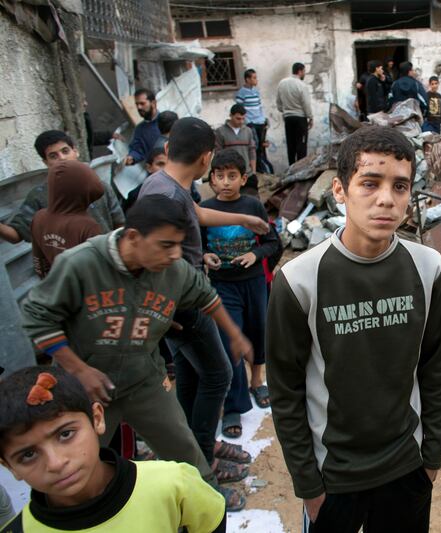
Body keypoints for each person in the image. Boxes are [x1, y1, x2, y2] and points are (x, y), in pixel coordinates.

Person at [267, 126, 441, 533]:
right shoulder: (299, 281)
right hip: (334, 478)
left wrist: (432, 459)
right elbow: (285, 391)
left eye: (400, 186)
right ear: (339, 190)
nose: (386, 199)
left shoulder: (429, 268)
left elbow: (437, 368)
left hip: (408, 468)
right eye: (370, 183)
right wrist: (307, 485)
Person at [20, 195, 255, 510]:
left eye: (178, 245)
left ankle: (206, 499)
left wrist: (234, 334)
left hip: (143, 379)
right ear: (133, 237)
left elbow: (205, 295)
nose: (174, 254)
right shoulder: (80, 264)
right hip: (87, 391)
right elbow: (37, 317)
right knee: (77, 465)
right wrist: (78, 370)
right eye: (165, 245)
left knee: (183, 448)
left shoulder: (174, 270)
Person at [136, 117, 269, 511]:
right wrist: (165, 309)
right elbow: (150, 256)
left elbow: (197, 213)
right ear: (206, 157)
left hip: (182, 300)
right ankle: (201, 467)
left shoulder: (170, 186)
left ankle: (195, 442)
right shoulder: (165, 196)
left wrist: (244, 218)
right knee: (219, 374)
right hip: (185, 303)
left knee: (193, 376)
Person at [0, 365, 227, 531]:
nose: (56, 463)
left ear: (97, 419)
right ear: (9, 466)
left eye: (65, 434)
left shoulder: (172, 483)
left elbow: (211, 519)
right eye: (28, 454)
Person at [201, 149, 283, 438]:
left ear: (243, 178)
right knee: (230, 339)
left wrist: (254, 253)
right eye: (219, 176)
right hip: (223, 285)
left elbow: (273, 242)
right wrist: (205, 256)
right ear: (211, 179)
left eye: (231, 176)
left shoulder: (252, 206)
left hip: (254, 282)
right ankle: (234, 404)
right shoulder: (204, 209)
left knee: (258, 331)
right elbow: (198, 247)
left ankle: (257, 382)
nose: (225, 182)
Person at [0, 130, 124, 244]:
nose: (62, 158)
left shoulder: (101, 187)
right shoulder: (40, 196)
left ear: (75, 151)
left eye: (65, 151)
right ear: (46, 162)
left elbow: (119, 224)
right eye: (53, 156)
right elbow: (16, 234)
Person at [30, 161, 104, 278]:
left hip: (57, 288)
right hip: (83, 291)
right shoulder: (87, 225)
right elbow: (98, 272)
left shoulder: (39, 218)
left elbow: (39, 263)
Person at [235, 69, 273, 174]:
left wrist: (263, 119)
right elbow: (240, 110)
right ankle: (257, 169)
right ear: (247, 79)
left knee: (261, 147)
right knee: (254, 147)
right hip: (251, 123)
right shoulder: (241, 93)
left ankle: (263, 169)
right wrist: (246, 122)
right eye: (254, 78)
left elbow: (259, 107)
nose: (256, 80)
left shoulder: (256, 91)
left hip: (260, 122)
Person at [276, 62, 313, 165]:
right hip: (300, 119)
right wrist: (310, 117)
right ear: (300, 71)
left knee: (290, 146)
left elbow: (278, 103)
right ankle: (301, 169)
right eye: (304, 71)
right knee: (301, 145)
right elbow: (306, 103)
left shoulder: (282, 83)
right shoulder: (301, 85)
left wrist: (286, 111)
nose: (304, 74)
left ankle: (291, 169)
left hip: (288, 118)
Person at [214, 103, 257, 177]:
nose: (241, 121)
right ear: (231, 116)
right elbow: (218, 154)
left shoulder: (248, 131)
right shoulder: (220, 132)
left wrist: (253, 171)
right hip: (229, 174)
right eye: (238, 118)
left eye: (243, 119)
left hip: (247, 173)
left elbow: (252, 152)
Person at [124, 89, 160, 166]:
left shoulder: (167, 120)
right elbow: (137, 150)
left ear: (153, 103)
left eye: (142, 103)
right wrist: (132, 158)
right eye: (137, 104)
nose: (139, 107)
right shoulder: (140, 129)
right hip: (155, 172)